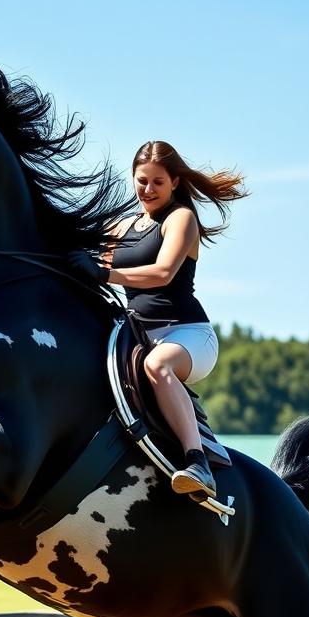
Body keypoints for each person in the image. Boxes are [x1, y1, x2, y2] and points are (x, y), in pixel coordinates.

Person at [89, 141, 247, 497]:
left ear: (175, 181)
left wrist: (104, 274)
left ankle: (198, 462)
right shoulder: (120, 227)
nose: (148, 190)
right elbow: (93, 267)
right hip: (139, 337)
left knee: (158, 366)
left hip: (189, 336)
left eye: (157, 182)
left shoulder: (182, 219)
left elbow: (162, 273)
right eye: (142, 181)